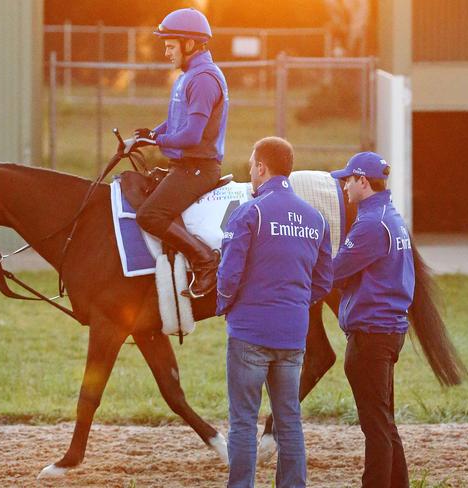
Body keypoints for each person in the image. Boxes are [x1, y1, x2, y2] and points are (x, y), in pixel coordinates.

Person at [217, 137, 333, 488]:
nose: (250, 172)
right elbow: (324, 280)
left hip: (249, 333)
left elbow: (228, 275)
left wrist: (226, 305)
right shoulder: (316, 219)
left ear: (262, 168)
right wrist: (296, 304)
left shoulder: (250, 212)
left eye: (252, 166)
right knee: (289, 421)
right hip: (293, 336)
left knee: (242, 422)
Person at [130, 7, 229, 298]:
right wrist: (150, 135)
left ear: (189, 44)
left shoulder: (202, 80)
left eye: (170, 45)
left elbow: (191, 135)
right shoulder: (190, 74)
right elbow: (176, 123)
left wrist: (157, 142)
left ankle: (206, 262)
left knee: (149, 215)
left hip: (198, 168)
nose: (166, 52)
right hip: (185, 166)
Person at [330, 151, 414, 487]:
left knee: (375, 427)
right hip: (388, 331)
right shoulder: (390, 216)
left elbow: (334, 272)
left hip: (370, 336)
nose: (345, 187)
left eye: (348, 180)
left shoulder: (369, 225)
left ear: (363, 182)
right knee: (384, 422)